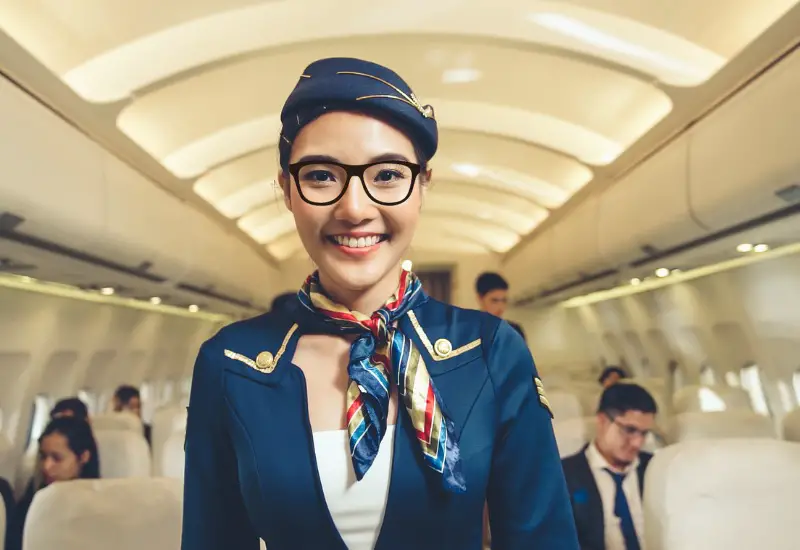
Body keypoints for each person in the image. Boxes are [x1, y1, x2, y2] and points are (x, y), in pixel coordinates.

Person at [181, 57, 579, 550]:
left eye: (388, 175)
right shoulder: (231, 363)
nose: (354, 208)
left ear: (423, 186)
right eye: (322, 176)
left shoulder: (490, 353)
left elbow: (543, 540)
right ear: (286, 189)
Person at [561, 383, 658, 550]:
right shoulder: (564, 477)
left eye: (644, 433)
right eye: (629, 430)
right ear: (602, 421)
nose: (637, 443)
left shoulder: (656, 468)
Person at [9, 416, 100, 550]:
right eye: (44, 456)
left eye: (57, 458)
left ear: (83, 457)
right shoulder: (30, 504)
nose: (46, 466)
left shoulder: (99, 508)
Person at [475, 272, 526, 341]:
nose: (500, 307)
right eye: (494, 301)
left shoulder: (514, 331)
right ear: (480, 298)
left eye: (504, 300)